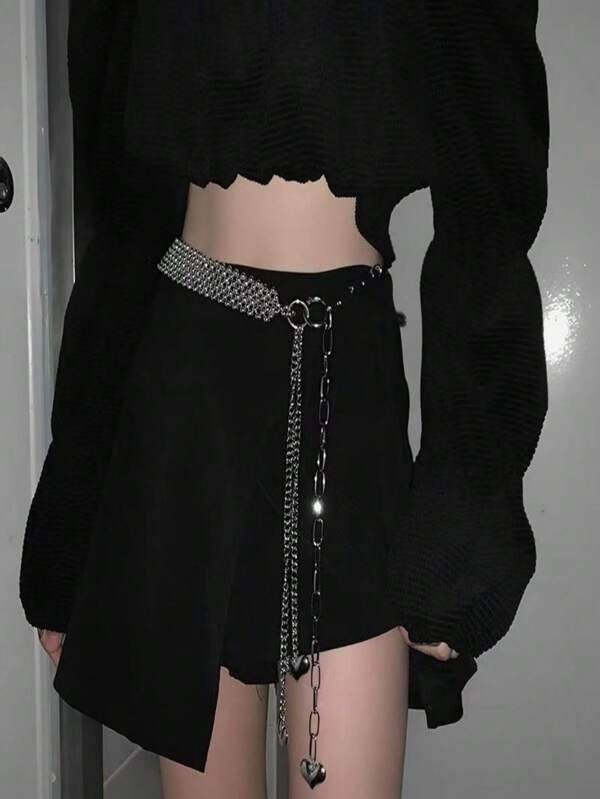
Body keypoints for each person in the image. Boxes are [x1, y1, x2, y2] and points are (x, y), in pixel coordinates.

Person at [20, 2, 550, 797]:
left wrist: (469, 515)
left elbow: (489, 212)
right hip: (184, 387)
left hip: (347, 385)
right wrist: (74, 516)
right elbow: (121, 213)